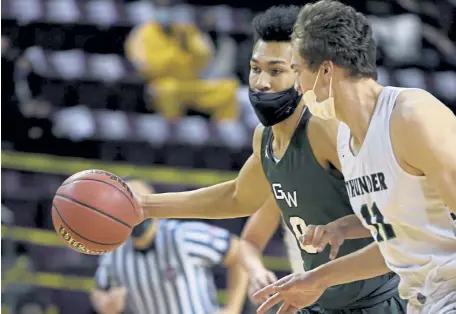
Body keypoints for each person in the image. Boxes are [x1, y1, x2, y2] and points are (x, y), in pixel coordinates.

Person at [135, 6, 407, 314]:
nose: (261, 82)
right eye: (255, 68)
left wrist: (318, 278)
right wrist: (144, 206)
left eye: (276, 71)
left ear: (305, 72)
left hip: (383, 301)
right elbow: (238, 196)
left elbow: (400, 227)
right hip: (321, 300)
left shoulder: (325, 128)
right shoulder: (265, 137)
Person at [252, 1, 456, 313]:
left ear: (325, 70)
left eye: (298, 72)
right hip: (423, 302)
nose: (297, 86)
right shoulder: (348, 140)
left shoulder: (411, 117)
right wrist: (319, 274)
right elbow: (397, 242)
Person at [91, 179, 248, 314]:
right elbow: (99, 289)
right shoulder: (114, 250)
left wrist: (233, 308)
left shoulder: (182, 235)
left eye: (137, 202)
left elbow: (239, 251)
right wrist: (105, 303)